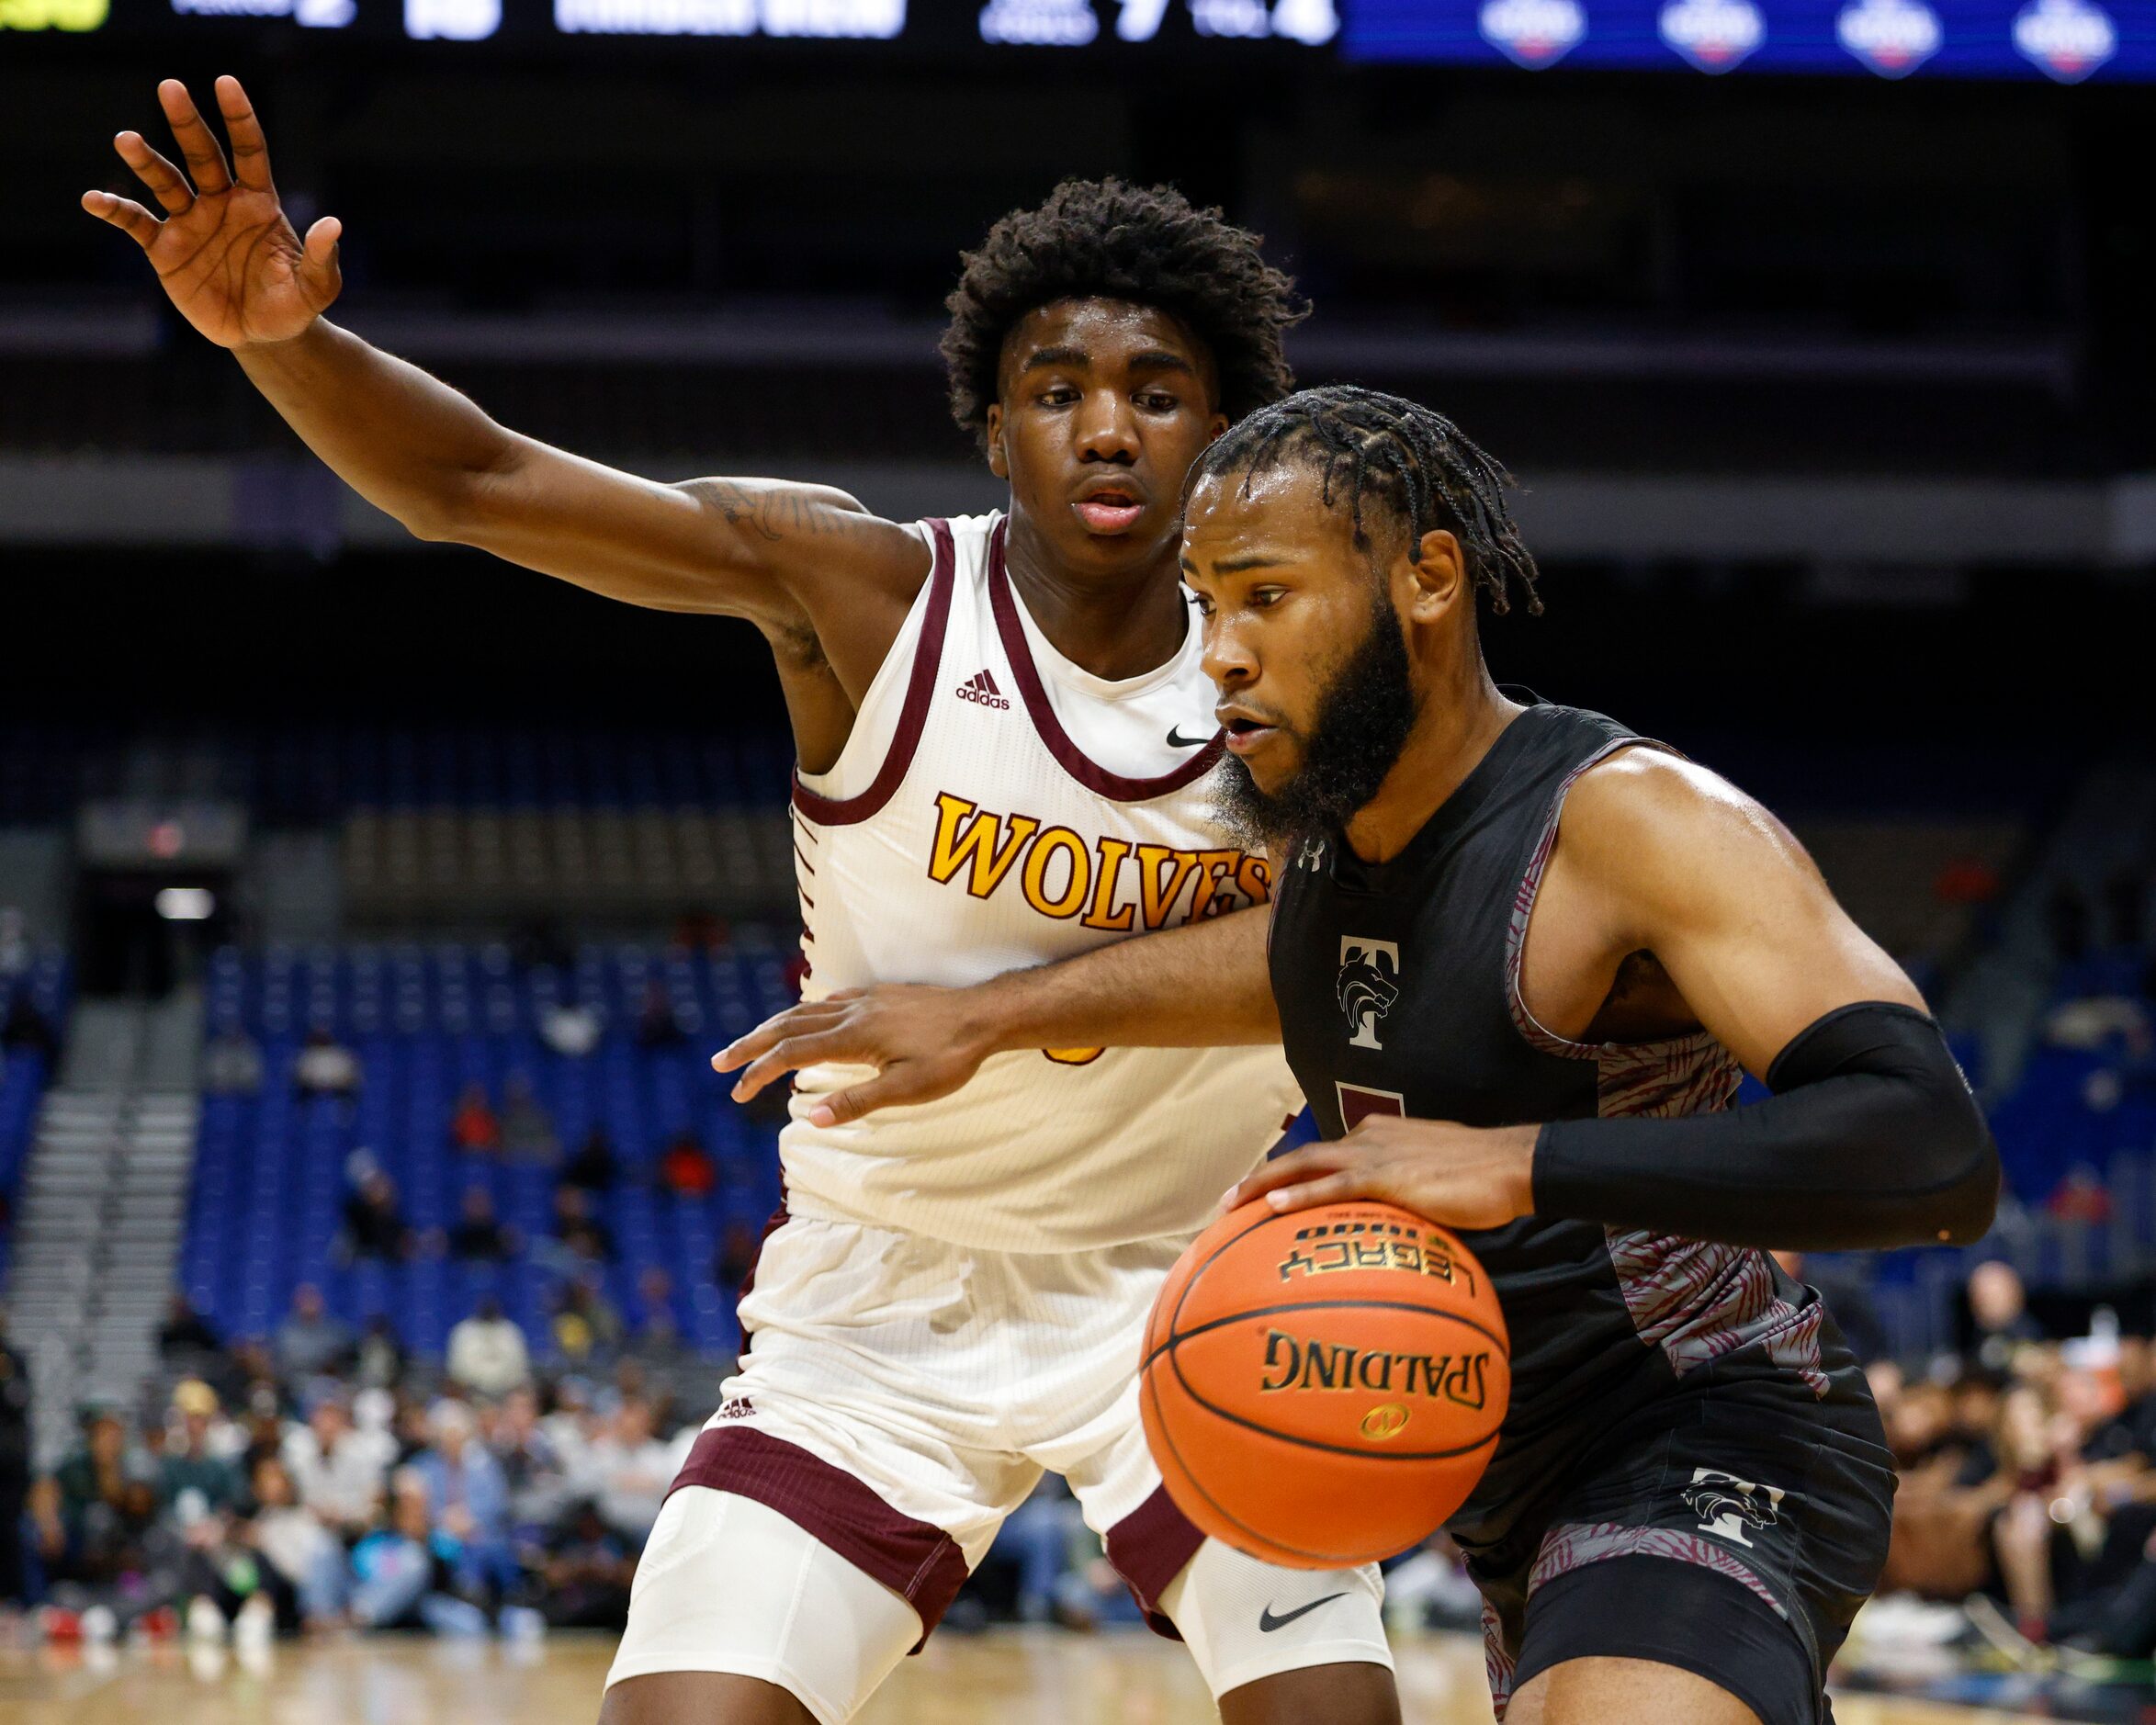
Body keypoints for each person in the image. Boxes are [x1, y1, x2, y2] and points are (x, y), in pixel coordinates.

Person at [84, 81, 1396, 1725]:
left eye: (1158, 389)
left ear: (1226, 431)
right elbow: (479, 484)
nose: (1108, 427)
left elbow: (1325, 956)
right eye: (1054, 391)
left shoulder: (1303, 669)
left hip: (1182, 1284)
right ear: (994, 429)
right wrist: (283, 343)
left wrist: (989, 1015)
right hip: (875, 1296)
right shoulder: (866, 593)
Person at [718, 387, 2004, 1725]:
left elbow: (1927, 1145)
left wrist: (1511, 1163)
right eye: (1205, 604)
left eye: (1264, 596)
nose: (1217, 652)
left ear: (1425, 580)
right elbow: (1260, 967)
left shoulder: (1627, 819)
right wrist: (991, 1013)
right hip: (1499, 1486)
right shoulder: (1330, 856)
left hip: (1703, 1418)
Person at [446, 1296, 531, 1399]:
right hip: (470, 1395)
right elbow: (457, 1371)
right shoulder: (463, 1332)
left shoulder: (511, 1331)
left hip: (507, 1396)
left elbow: (520, 1369)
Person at [275, 1283, 355, 1381]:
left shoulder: (333, 1329)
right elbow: (286, 1361)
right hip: (295, 1382)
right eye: (306, 1301)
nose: (310, 1305)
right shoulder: (286, 1331)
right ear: (297, 1304)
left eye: (312, 1300)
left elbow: (344, 1352)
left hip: (329, 1381)